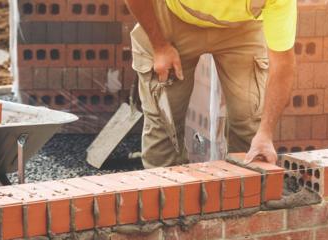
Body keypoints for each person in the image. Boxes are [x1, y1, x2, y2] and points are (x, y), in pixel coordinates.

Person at [126, 0, 297, 168]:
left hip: (241, 27)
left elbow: (282, 63)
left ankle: (246, 189)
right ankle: (164, 190)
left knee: (250, 123)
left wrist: (265, 133)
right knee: (165, 124)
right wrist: (159, 46)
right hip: (174, 17)